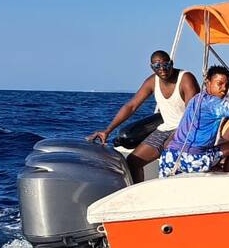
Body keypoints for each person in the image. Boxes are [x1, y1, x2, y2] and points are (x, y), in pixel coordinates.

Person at [85, 50, 199, 182]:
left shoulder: (185, 78)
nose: (162, 69)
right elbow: (131, 106)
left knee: (170, 155)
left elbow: (192, 114)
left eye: (166, 65)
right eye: (157, 66)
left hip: (187, 128)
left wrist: (176, 136)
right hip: (165, 129)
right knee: (133, 162)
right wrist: (107, 130)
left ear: (171, 63)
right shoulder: (152, 82)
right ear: (152, 67)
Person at [159, 65, 229, 177]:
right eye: (219, 83)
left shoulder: (197, 98)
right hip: (192, 158)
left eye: (227, 85)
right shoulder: (213, 103)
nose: (224, 88)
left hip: (170, 157)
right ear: (208, 82)